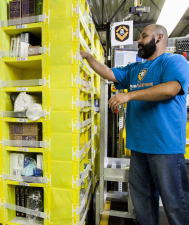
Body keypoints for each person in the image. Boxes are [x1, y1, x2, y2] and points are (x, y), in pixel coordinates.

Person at [81, 24, 189, 225]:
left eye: (144, 36)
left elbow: (170, 89)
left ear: (159, 38)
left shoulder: (175, 61)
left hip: (165, 147)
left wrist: (128, 95)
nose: (139, 41)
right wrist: (88, 57)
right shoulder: (134, 69)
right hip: (138, 147)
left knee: (175, 203)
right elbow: (109, 73)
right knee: (143, 203)